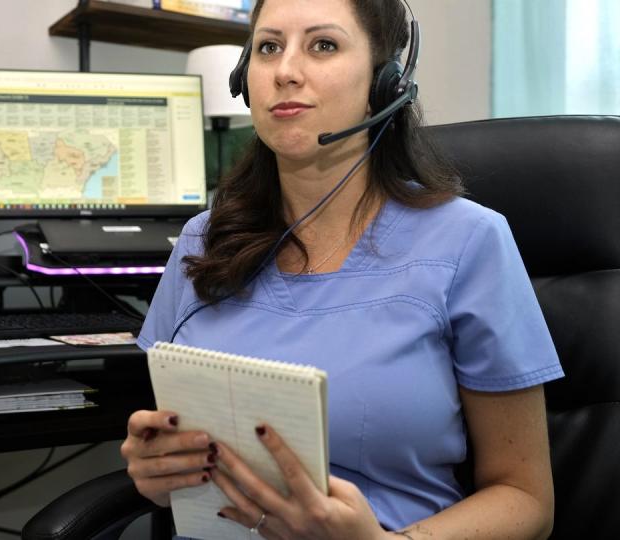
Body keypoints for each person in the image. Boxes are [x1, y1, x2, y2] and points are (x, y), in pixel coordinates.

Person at [121, 0, 564, 538]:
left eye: (323, 45)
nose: (285, 71)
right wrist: (156, 472)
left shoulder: (469, 240)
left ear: (385, 83)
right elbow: (167, 449)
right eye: (268, 47)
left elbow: (526, 500)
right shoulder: (202, 239)